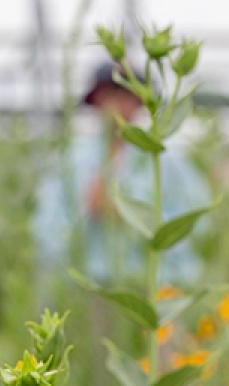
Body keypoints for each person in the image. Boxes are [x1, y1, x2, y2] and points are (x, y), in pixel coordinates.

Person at [34, 62, 210, 287]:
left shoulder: (166, 158)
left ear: (140, 101)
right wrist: (88, 209)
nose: (117, 106)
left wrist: (138, 219)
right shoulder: (71, 160)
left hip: (158, 285)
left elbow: (198, 223)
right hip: (92, 284)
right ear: (95, 101)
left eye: (125, 96)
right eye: (108, 95)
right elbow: (45, 230)